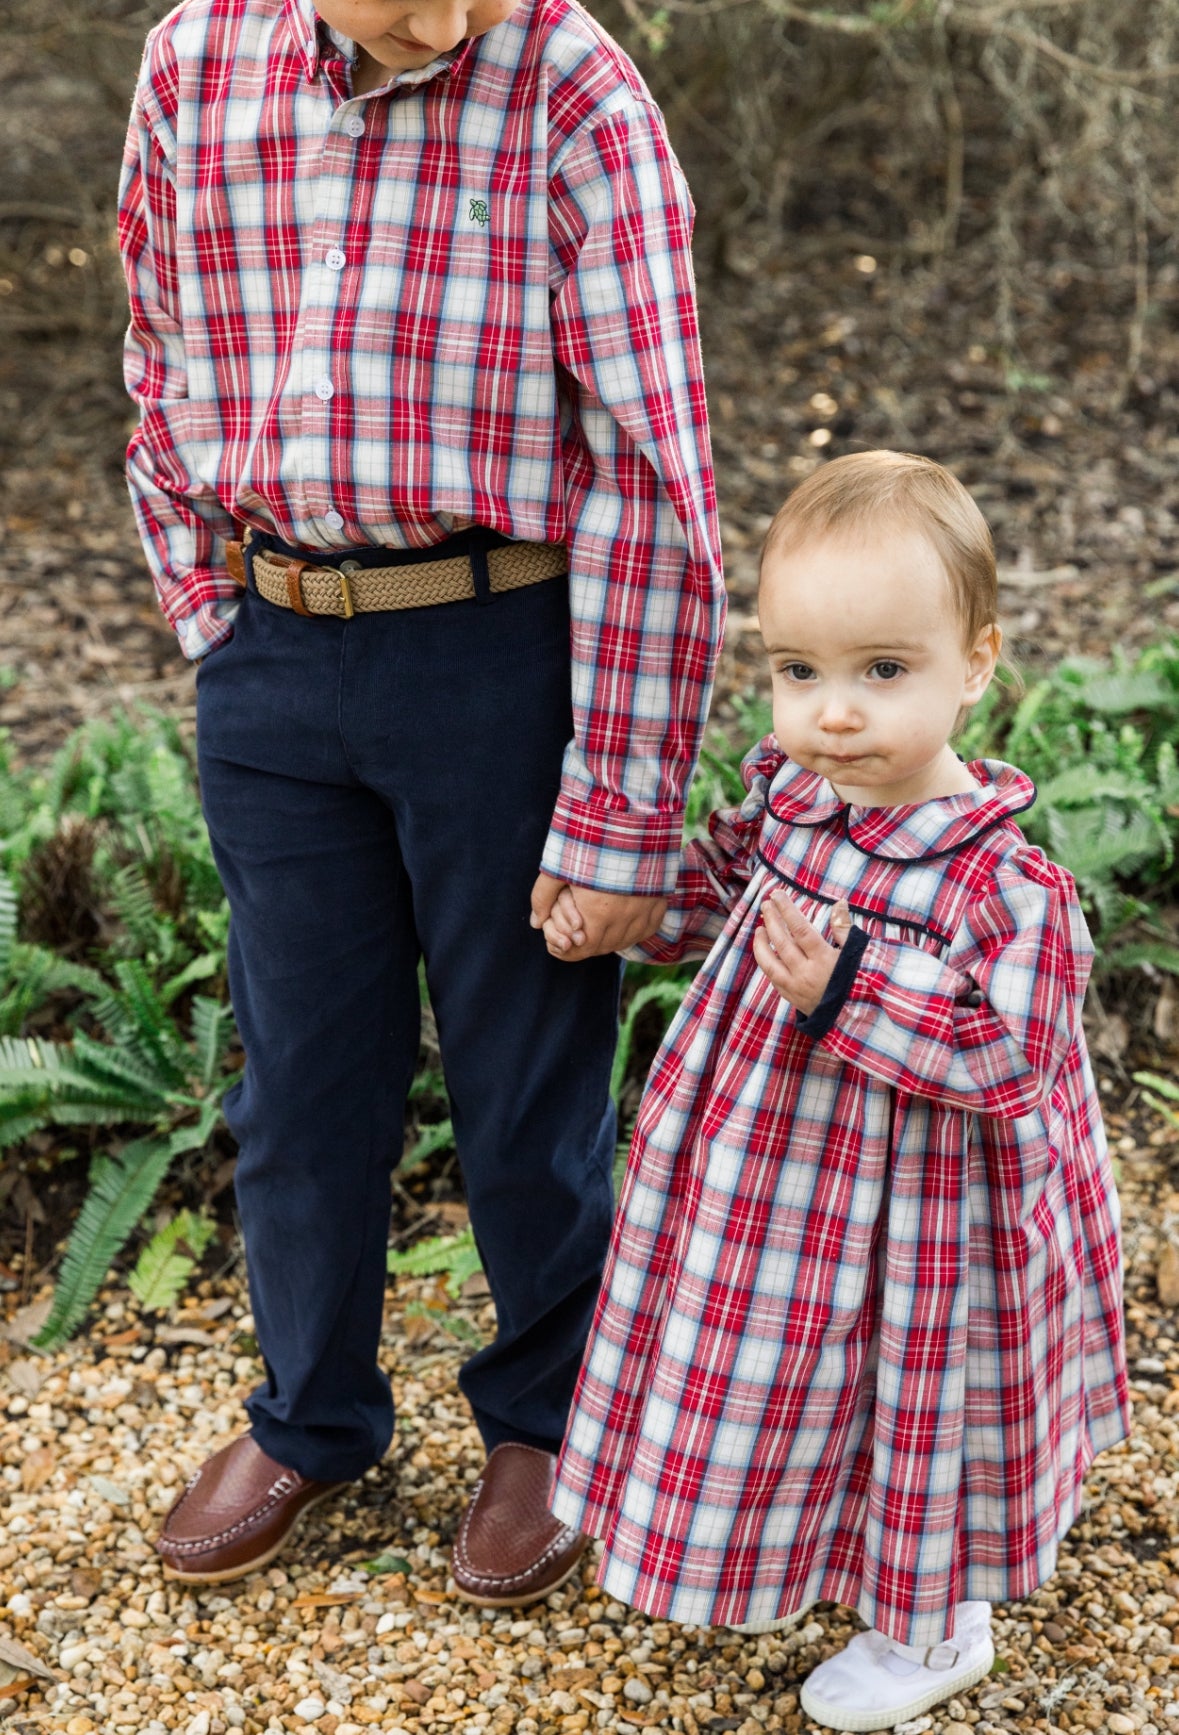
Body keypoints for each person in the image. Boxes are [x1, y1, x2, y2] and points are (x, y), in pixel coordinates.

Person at [117, 0, 725, 1597]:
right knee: (300, 1071)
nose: (450, 14)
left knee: (528, 1069)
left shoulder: (568, 80)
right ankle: (311, 1413)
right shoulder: (193, 63)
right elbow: (162, 349)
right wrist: (210, 606)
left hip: (497, 655)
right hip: (273, 653)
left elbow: (651, 469)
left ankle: (544, 1417)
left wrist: (618, 819)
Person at [544, 451, 1129, 1730]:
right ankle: (821, 1548)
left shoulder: (1002, 887)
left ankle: (933, 1626)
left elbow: (1011, 1056)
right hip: (780, 1192)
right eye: (799, 672)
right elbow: (719, 893)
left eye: (882, 671)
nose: (835, 714)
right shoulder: (794, 803)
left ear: (975, 663)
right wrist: (631, 911)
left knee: (920, 1390)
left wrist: (853, 987)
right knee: (801, 1378)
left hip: (930, 1217)